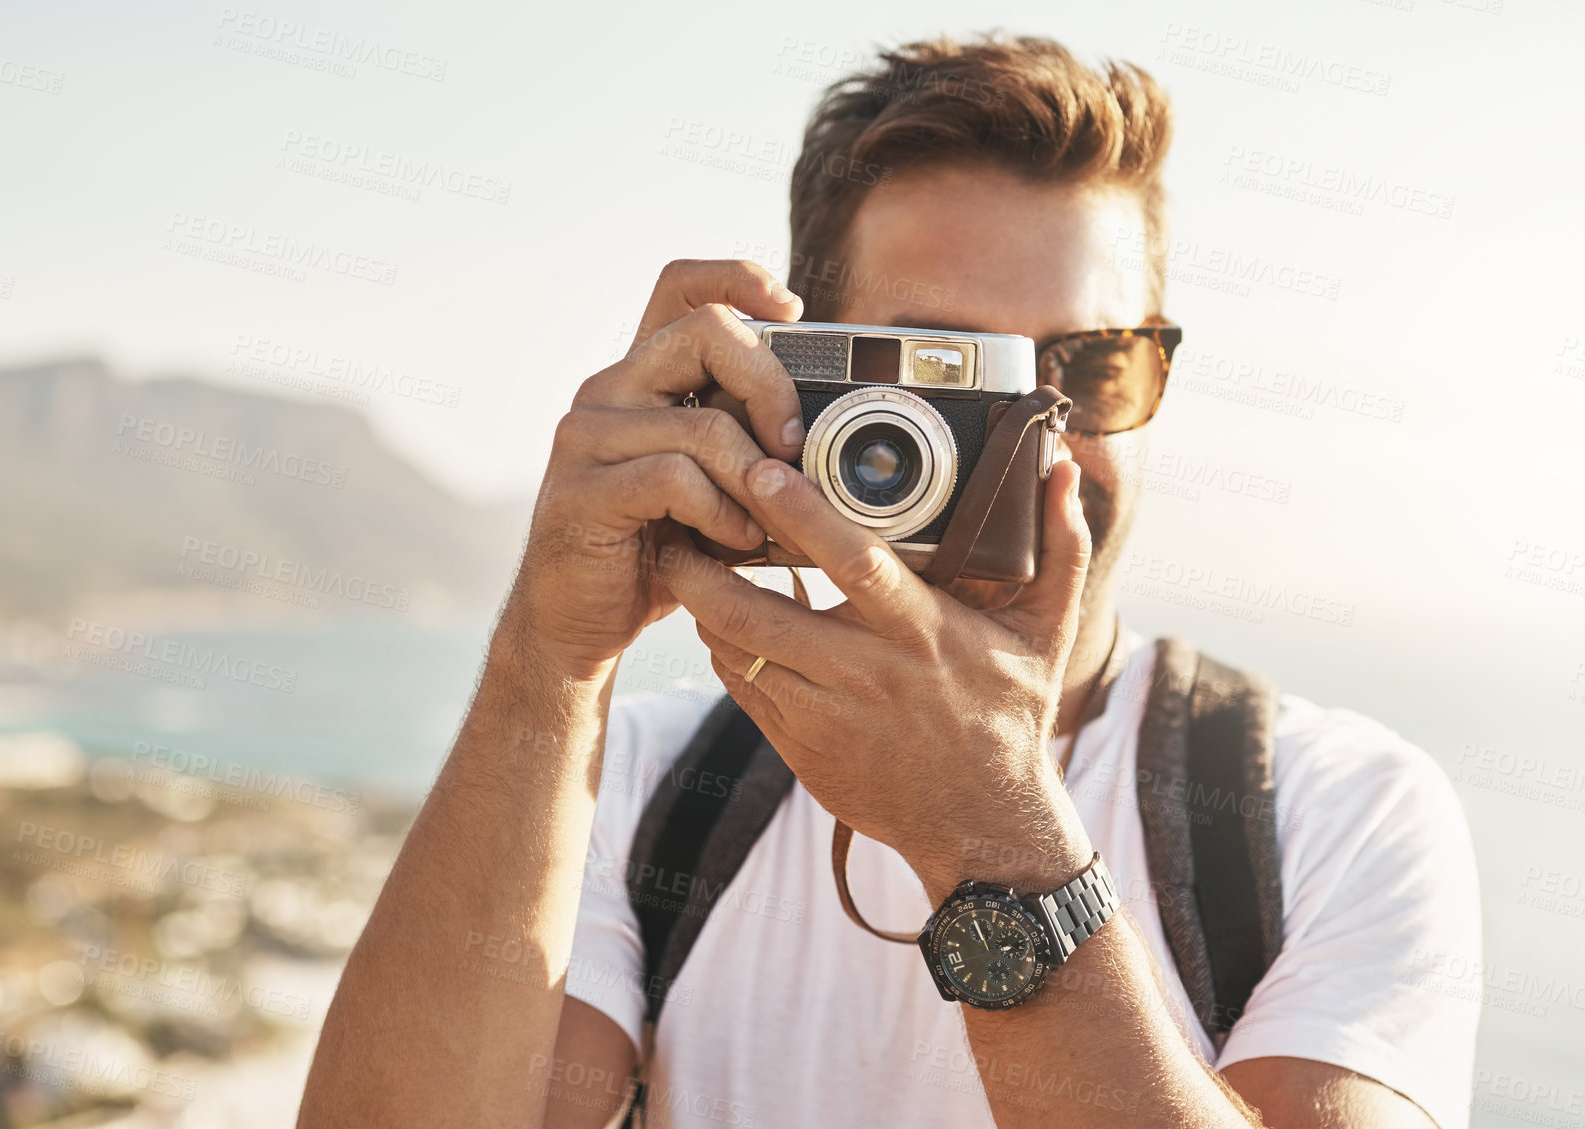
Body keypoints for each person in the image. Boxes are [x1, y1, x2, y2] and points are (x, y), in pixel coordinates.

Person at [298, 32, 1480, 1129]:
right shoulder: (649, 789)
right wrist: (550, 668)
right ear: (796, 386)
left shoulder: (1331, 815)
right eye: (948, 375)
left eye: (1091, 367)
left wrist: (996, 835)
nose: (1034, 436)